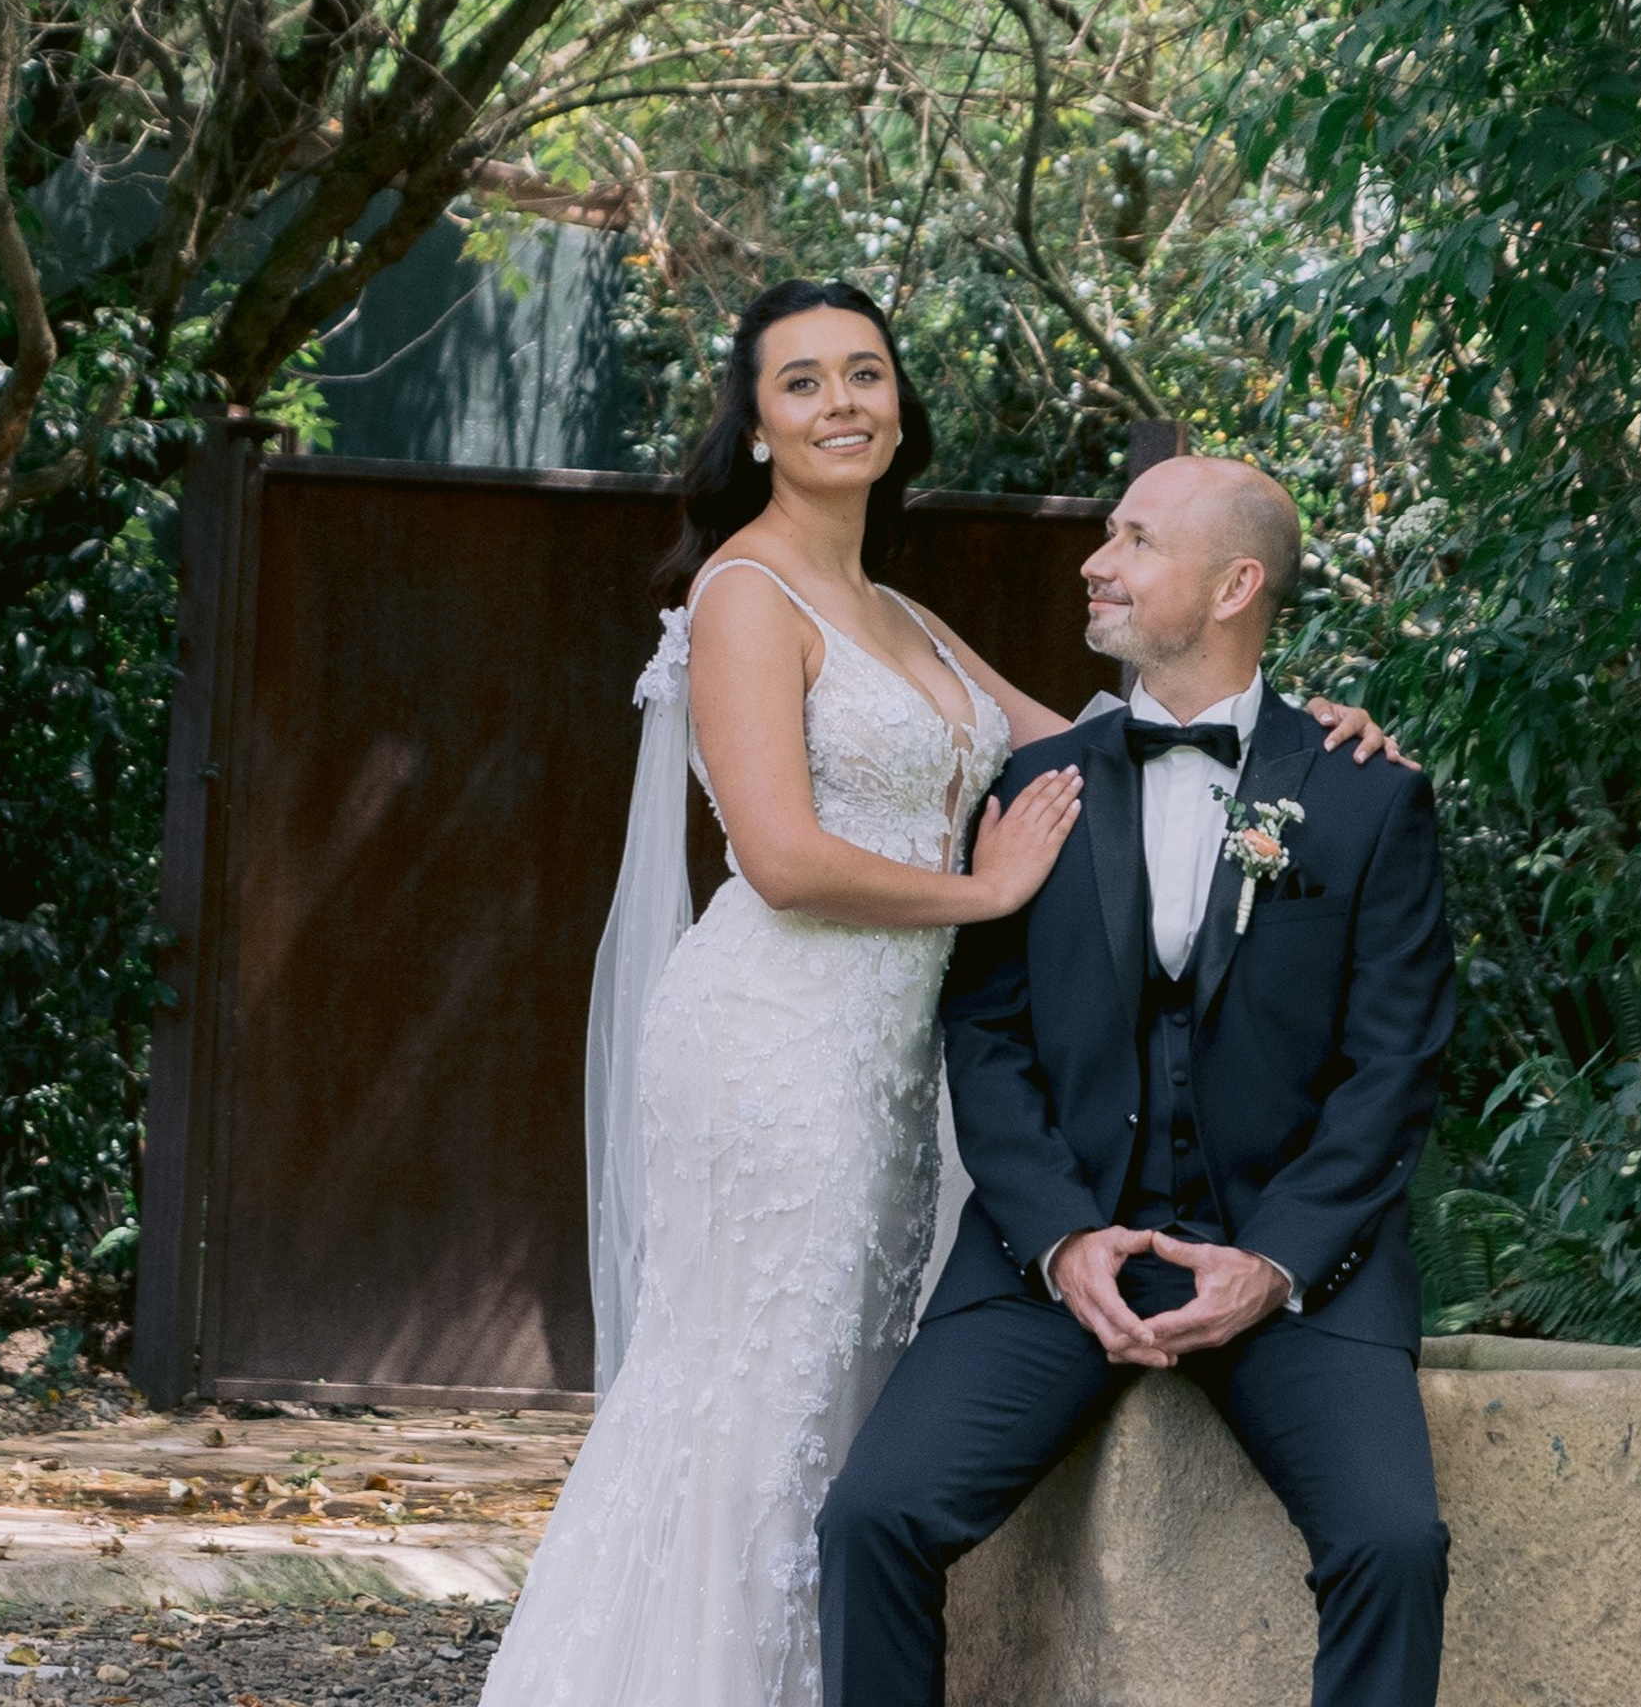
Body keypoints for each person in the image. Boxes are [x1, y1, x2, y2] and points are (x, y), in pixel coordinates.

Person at [484, 280, 1404, 1707]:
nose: (842, 400)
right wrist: (984, 895)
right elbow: (783, 857)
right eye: (801, 383)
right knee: (750, 1405)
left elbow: (1107, 740)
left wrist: (1308, 735)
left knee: (832, 1403)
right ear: (758, 427)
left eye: (865, 372)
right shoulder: (742, 591)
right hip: (773, 1042)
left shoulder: (898, 611)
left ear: (900, 404)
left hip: (882, 1062)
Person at [819, 453, 1456, 1707]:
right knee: (871, 1519)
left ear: (1233, 584)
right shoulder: (1032, 781)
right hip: (1050, 1257)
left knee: (1395, 1546)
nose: (1093, 562)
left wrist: (1269, 1263)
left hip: (1292, 1263)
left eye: (1133, 539)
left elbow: (1395, 1067)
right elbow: (986, 1038)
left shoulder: (1367, 794)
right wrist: (1061, 1239)